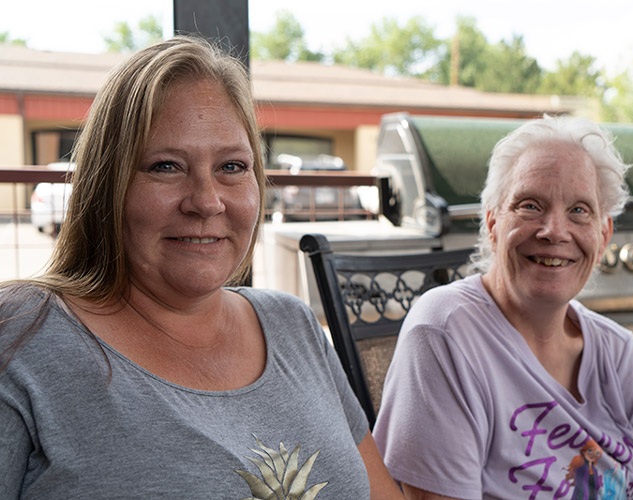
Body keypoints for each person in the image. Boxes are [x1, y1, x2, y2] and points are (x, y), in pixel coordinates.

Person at [0, 36, 404, 500]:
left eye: (232, 166)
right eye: (166, 166)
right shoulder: (21, 334)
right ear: (106, 184)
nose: (207, 201)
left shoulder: (293, 325)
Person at [372, 115, 633, 499]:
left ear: (603, 237)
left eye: (579, 211)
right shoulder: (445, 333)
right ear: (492, 223)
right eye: (530, 205)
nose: (554, 230)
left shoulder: (615, 354)